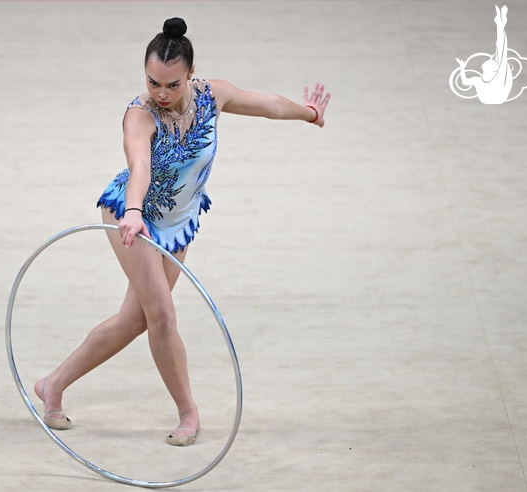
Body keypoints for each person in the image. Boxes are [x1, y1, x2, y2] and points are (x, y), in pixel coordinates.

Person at [34, 17, 331, 446]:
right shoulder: (139, 114)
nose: (161, 93)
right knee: (163, 316)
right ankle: (189, 412)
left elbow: (268, 105)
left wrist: (309, 114)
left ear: (190, 75)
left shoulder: (214, 95)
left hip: (179, 223)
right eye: (153, 82)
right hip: (134, 218)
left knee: (134, 320)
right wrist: (133, 211)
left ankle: (53, 383)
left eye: (171, 85)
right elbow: (140, 166)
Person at [456, 5, 512, 104]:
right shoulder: (479, 80)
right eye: (491, 60)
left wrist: (500, 26)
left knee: (501, 50)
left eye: (491, 61)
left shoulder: (497, 77)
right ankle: (500, 23)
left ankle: (500, 23)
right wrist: (462, 67)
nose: (488, 59)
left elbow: (501, 49)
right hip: (493, 97)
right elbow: (465, 82)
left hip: (497, 96)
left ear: (493, 69)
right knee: (500, 51)